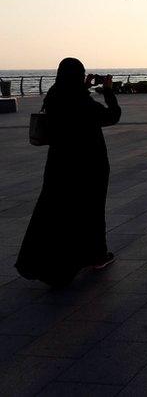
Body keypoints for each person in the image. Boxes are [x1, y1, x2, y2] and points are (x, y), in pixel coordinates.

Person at [16, 58, 121, 287]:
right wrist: (109, 92)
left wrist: (83, 86)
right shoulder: (84, 104)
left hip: (59, 165)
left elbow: (68, 102)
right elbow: (112, 116)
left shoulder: (54, 97)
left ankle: (50, 265)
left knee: (55, 212)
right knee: (91, 209)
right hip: (88, 166)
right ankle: (96, 256)